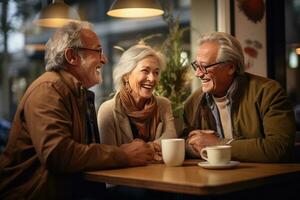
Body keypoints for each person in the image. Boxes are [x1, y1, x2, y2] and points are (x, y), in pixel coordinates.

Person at [0, 22, 154, 199]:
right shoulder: (48, 89)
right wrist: (123, 155)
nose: (104, 60)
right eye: (98, 51)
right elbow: (57, 154)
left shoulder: (73, 92)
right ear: (72, 56)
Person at [183, 32, 296, 162]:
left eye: (204, 67)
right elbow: (185, 143)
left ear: (231, 67)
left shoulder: (268, 92)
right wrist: (195, 145)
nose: (198, 73)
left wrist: (218, 143)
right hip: (211, 178)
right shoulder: (193, 102)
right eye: (197, 66)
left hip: (263, 179)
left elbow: (279, 147)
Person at [97, 44, 177, 162]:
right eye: (145, 71)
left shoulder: (163, 105)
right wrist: (156, 149)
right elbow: (109, 158)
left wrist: (147, 148)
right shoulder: (108, 110)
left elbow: (171, 138)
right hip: (123, 179)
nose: (152, 78)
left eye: (156, 72)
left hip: (159, 177)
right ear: (126, 75)